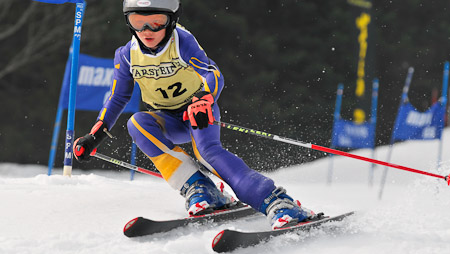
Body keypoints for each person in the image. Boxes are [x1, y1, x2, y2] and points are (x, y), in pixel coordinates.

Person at [73, 0, 314, 229]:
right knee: (137, 123)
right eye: (137, 21)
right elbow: (117, 97)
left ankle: (277, 202)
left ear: (171, 20)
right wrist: (94, 136)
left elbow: (213, 73)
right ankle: (199, 187)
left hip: (196, 112)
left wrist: (203, 100)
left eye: (156, 22)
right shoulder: (127, 55)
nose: (146, 30)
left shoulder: (182, 42)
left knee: (208, 154)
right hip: (166, 118)